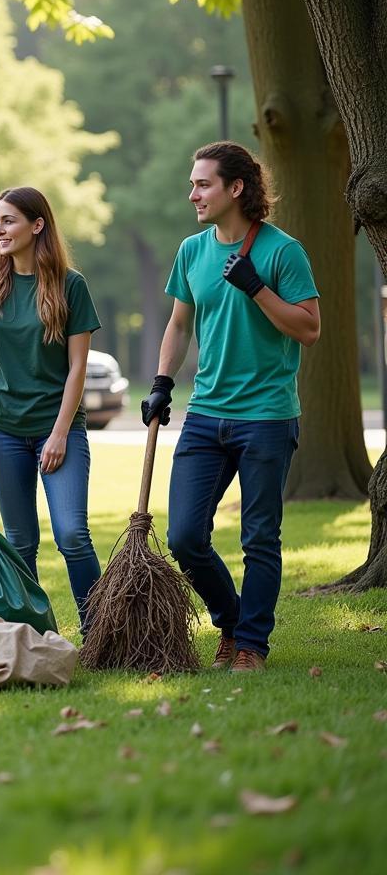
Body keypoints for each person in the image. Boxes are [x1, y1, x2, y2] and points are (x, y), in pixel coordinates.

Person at [142, 141, 320, 673]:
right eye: (192, 183)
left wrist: (257, 289)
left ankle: (250, 647)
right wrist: (161, 382)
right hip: (205, 414)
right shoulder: (192, 251)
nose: (192, 193)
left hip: (266, 415)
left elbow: (309, 329)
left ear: (235, 188)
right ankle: (232, 619)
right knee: (184, 536)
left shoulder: (282, 251)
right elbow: (179, 323)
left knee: (259, 537)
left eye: (203, 184)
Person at [0, 186, 102, 634]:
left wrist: (58, 434)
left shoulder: (71, 285)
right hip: (4, 431)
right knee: (21, 542)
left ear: (37, 225)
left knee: (72, 534)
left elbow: (77, 369)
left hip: (60, 429)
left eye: (9, 220)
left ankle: (98, 631)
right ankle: (35, 634)